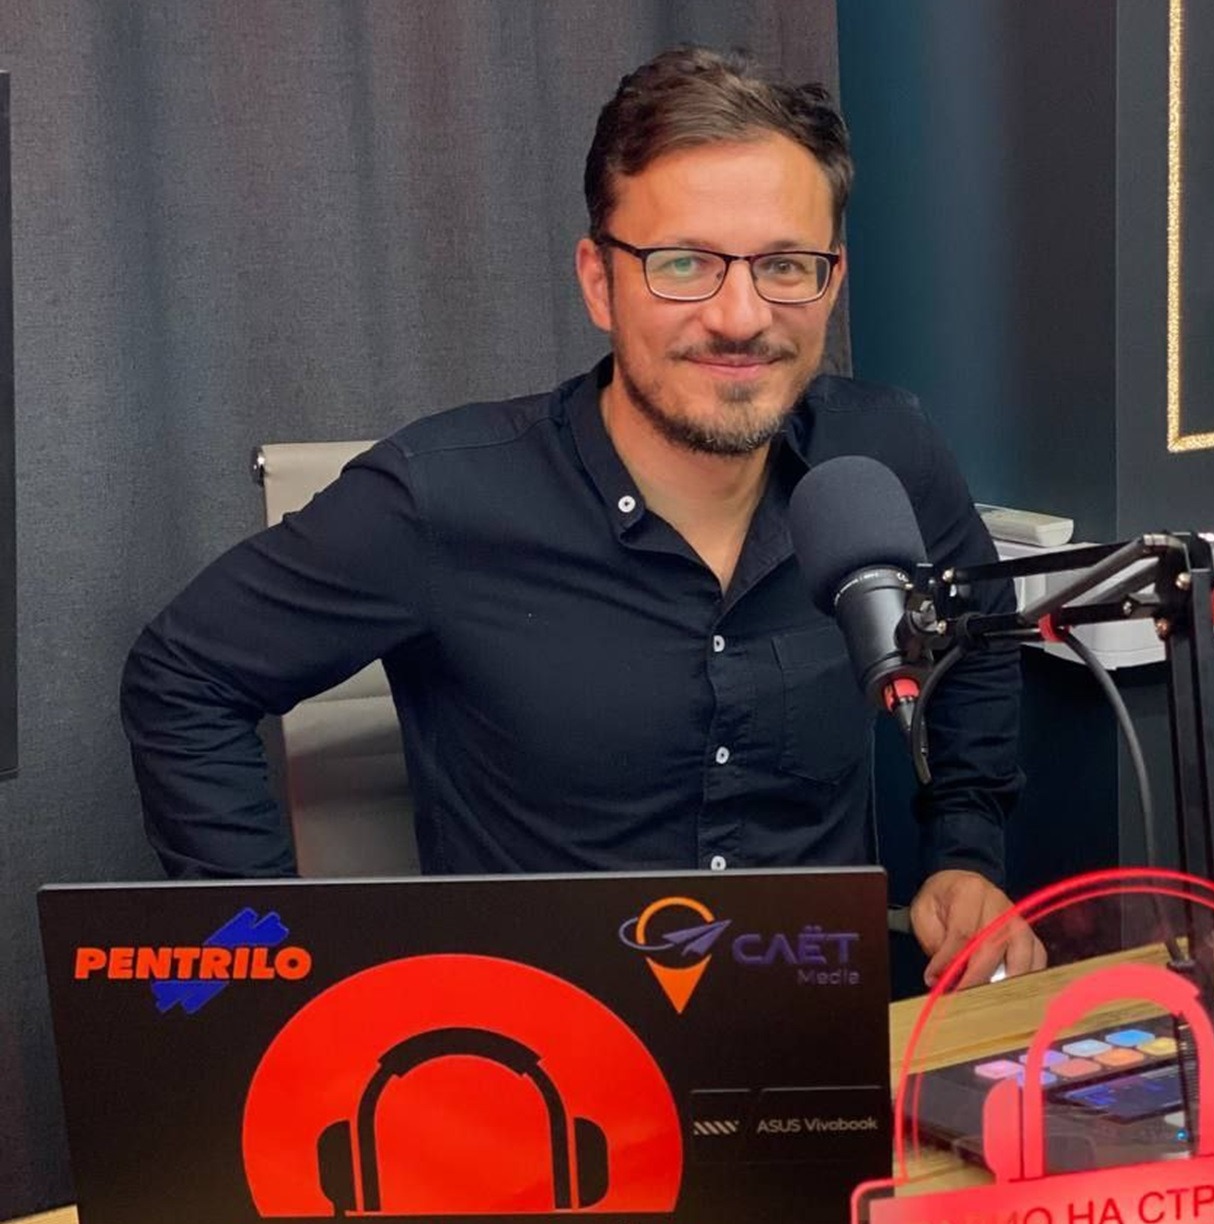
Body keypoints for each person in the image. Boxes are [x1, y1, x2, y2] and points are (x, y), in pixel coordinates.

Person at [121, 46, 1044, 986]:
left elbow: (977, 637)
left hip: (816, 1025)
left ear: (831, 280)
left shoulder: (884, 458)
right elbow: (184, 675)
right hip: (535, 1049)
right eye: (683, 263)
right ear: (600, 281)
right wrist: (273, 963)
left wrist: (966, 850)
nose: (739, 316)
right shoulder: (439, 499)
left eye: (783, 265)